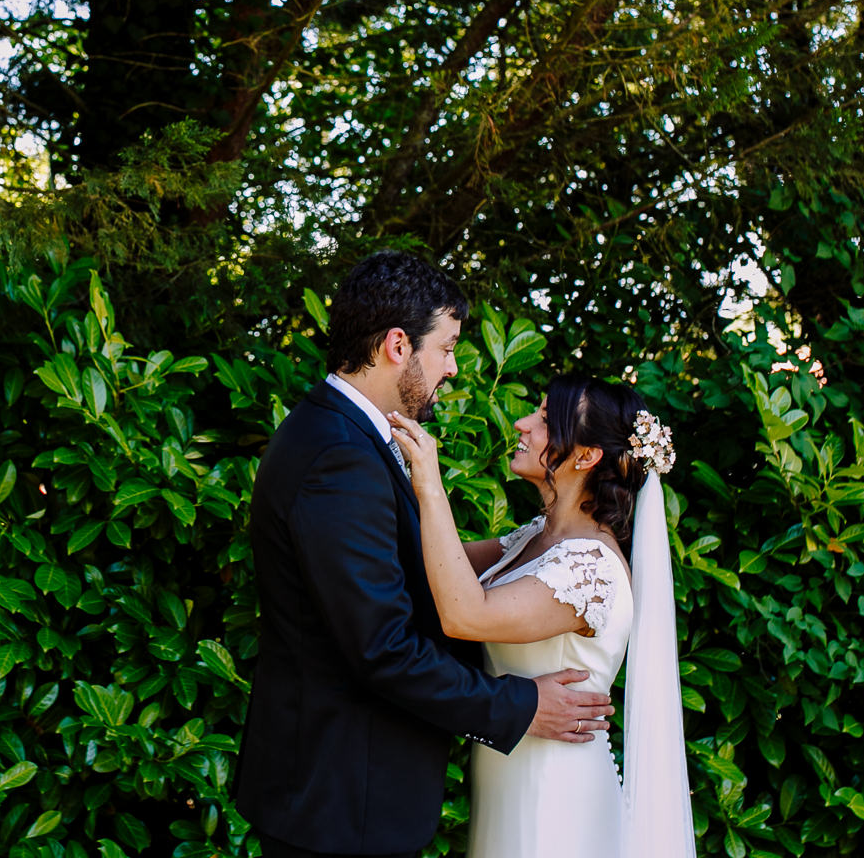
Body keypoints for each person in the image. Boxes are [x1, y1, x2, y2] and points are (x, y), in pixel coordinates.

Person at [235, 251, 615, 858]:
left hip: (341, 792)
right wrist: (520, 704)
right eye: (446, 348)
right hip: (341, 800)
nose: (454, 369)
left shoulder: (345, 434)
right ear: (395, 345)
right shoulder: (340, 457)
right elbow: (381, 648)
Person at [388, 374, 695, 858]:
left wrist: (429, 480)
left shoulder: (590, 568)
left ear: (586, 456)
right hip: (509, 773)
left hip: (554, 790)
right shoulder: (536, 539)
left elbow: (464, 614)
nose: (522, 423)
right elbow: (428, 565)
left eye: (546, 420)